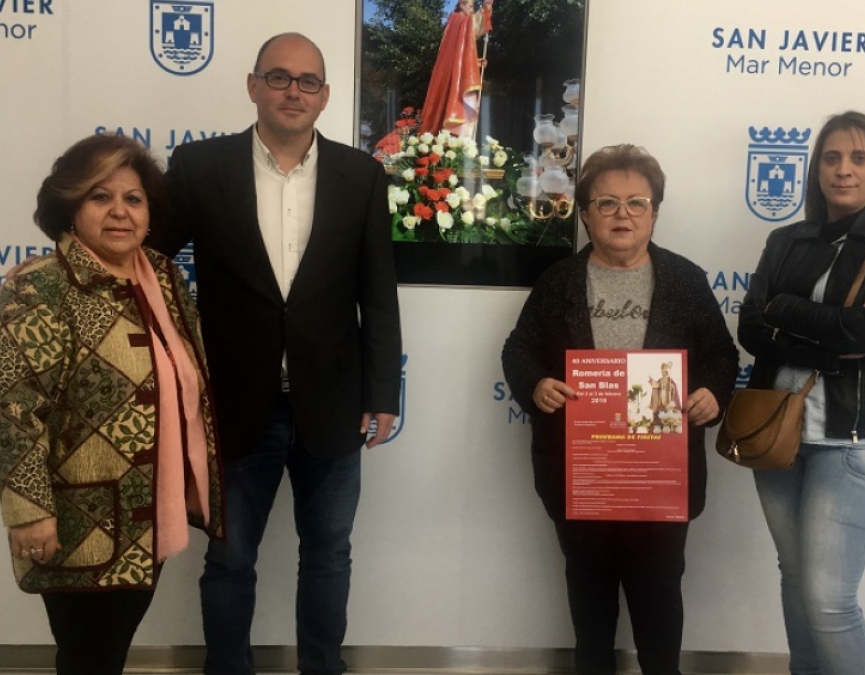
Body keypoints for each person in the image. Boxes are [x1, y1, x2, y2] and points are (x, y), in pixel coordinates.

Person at [149, 33, 403, 675]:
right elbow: (144, 256)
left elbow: (378, 294)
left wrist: (382, 394)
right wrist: (71, 266)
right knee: (230, 558)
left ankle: (323, 667)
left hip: (334, 404)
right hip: (235, 402)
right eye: (280, 77)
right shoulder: (201, 167)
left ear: (325, 95)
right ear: (253, 86)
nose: (294, 91)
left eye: (308, 81)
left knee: (329, 555)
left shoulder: (361, 176)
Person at [0, 134, 224, 675]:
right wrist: (28, 512)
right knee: (89, 657)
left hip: (146, 513)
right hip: (79, 519)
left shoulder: (162, 276)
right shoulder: (42, 287)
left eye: (133, 199)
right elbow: (14, 410)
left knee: (105, 654)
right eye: (100, 196)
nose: (119, 211)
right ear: (70, 206)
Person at [502, 144, 738, 675]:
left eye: (637, 202)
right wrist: (535, 384)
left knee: (660, 598)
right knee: (589, 603)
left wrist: (713, 393)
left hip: (660, 479)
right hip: (582, 475)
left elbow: (722, 355)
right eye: (606, 203)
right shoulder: (559, 280)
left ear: (655, 212)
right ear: (585, 214)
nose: (622, 215)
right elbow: (518, 350)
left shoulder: (685, 280)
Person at [738, 111, 865, 675]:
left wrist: (786, 311)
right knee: (795, 580)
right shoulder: (784, 240)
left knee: (828, 601)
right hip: (778, 433)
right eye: (831, 157)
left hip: (857, 444)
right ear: (817, 169)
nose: (843, 170)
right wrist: (830, 343)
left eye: (858, 158)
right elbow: (752, 328)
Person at [419, 0, 494, 137]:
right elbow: (456, 56)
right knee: (448, 106)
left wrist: (475, 63)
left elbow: (462, 56)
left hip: (457, 75)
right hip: (450, 76)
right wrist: (486, 8)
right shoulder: (456, 21)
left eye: (473, 7)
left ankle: (457, 141)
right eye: (470, 7)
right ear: (461, 5)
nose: (472, 11)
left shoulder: (461, 24)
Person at [648, 361, 681, 431]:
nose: (662, 373)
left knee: (668, 413)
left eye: (663, 371)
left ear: (666, 372)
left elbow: (673, 387)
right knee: (658, 414)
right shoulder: (660, 380)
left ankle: (667, 426)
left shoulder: (670, 381)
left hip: (668, 400)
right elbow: (656, 386)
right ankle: (658, 426)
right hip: (660, 401)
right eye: (662, 371)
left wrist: (670, 386)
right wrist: (653, 382)